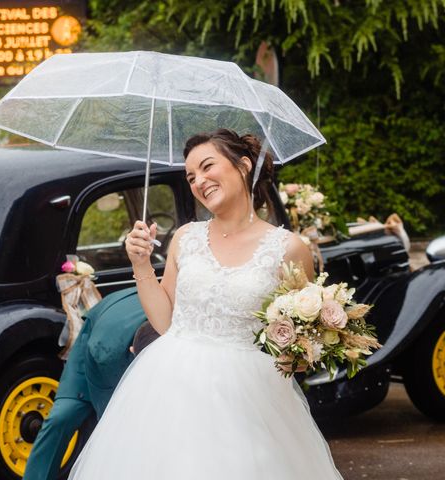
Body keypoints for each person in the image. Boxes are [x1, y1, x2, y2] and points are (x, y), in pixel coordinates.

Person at [68, 129, 343, 479]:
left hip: (251, 400)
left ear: (243, 166)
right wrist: (140, 265)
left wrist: (298, 353)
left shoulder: (289, 248)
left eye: (207, 166)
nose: (199, 180)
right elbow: (166, 322)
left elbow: (303, 346)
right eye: (191, 176)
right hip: (171, 389)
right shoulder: (185, 238)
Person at [24, 287, 147, 480]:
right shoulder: (111, 347)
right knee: (62, 416)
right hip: (93, 347)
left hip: (124, 342)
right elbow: (104, 390)